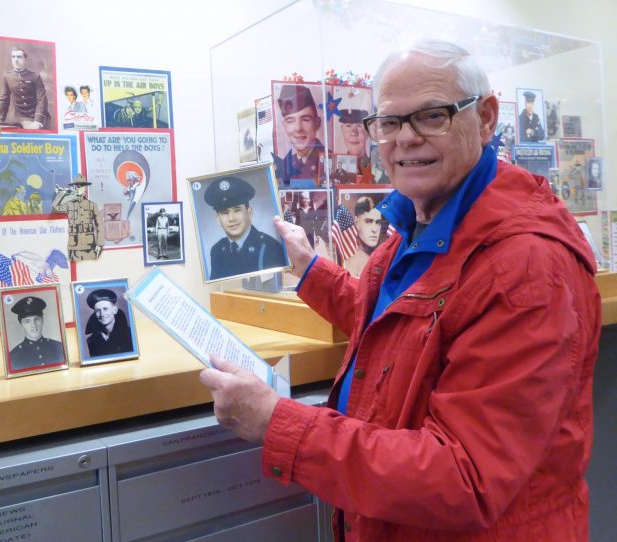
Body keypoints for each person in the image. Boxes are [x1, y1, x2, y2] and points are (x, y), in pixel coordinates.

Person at [199, 38, 599, 541]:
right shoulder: (419, 218)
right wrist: (308, 269)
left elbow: (464, 479)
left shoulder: (526, 266)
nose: (404, 139)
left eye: (432, 116)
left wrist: (276, 423)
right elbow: (401, 327)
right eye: (388, 123)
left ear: (487, 117)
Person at [204, 176, 286, 280]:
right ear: (218, 219)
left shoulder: (270, 247)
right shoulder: (217, 250)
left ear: (249, 212)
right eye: (224, 213)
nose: (231, 218)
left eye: (237, 210)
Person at [277, 84, 326, 185]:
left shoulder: (329, 161)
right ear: (284, 125)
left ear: (317, 123)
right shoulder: (286, 165)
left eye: (305, 119)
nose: (298, 128)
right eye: (291, 121)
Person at [0, 47, 51, 130]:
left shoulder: (35, 76)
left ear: (26, 60)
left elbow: (42, 100)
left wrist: (37, 121)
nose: (16, 60)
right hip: (19, 118)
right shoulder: (7, 77)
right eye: (13, 57)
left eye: (19, 57)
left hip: (36, 117)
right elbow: (4, 100)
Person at [52, 174, 101, 260]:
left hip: (89, 246)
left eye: (80, 186)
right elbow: (55, 207)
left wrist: (100, 244)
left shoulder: (92, 205)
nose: (77, 188)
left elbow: (99, 225)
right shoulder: (69, 205)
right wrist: (61, 193)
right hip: (75, 247)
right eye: (76, 186)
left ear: (85, 188)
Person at [8, 296, 64, 370]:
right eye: (27, 321)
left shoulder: (59, 347)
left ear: (43, 320)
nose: (33, 325)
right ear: (21, 324)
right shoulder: (13, 357)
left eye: (37, 319)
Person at [84, 289, 134, 357]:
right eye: (98, 311)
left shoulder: (129, 334)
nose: (102, 314)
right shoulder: (92, 340)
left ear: (115, 310)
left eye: (105, 309)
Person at [343, 196, 383, 276]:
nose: (374, 229)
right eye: (368, 222)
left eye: (378, 222)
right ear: (357, 222)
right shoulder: (352, 257)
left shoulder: (383, 252)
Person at [338, 108, 371, 174]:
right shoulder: (338, 168)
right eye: (348, 126)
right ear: (342, 130)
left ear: (367, 132)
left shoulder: (375, 167)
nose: (353, 133)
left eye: (359, 126)